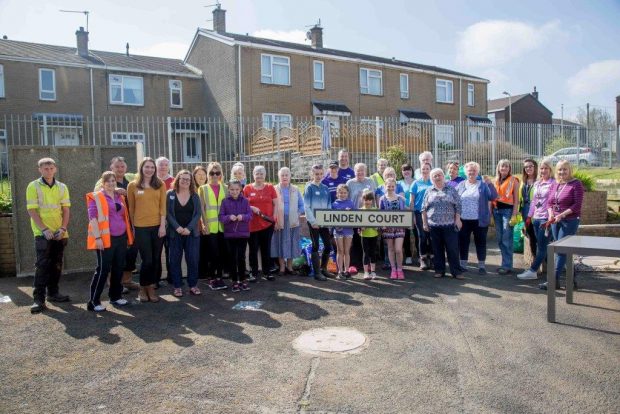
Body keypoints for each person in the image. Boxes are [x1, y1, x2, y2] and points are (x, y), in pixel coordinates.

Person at [26, 158, 71, 314]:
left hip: (59, 231)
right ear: (40, 169)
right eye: (45, 168)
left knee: (57, 264)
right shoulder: (33, 186)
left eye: (51, 168)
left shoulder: (62, 187)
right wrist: (44, 229)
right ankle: (38, 299)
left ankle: (53, 293)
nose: (49, 171)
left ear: (55, 169)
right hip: (42, 233)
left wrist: (63, 228)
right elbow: (32, 210)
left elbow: (66, 210)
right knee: (42, 266)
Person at [86, 171, 133, 312]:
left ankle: (115, 296)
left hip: (121, 237)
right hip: (105, 239)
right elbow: (92, 218)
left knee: (118, 268)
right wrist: (98, 238)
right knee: (103, 270)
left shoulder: (119, 196)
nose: (111, 183)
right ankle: (93, 302)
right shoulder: (96, 197)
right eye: (108, 181)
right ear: (102, 183)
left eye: (113, 181)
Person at [94, 156, 139, 291]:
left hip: (131, 222)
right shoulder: (104, 181)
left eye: (122, 166)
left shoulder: (130, 178)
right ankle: (114, 283)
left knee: (131, 253)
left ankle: (127, 281)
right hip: (112, 225)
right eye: (117, 167)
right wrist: (114, 190)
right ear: (111, 168)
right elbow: (96, 195)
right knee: (115, 255)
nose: (120, 169)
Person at [539, 160, 584, 290]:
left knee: (561, 251)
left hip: (569, 221)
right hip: (555, 221)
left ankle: (553, 281)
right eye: (559, 169)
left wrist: (562, 215)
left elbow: (577, 205)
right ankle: (572, 278)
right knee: (564, 251)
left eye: (565, 169)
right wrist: (551, 214)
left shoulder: (576, 184)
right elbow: (549, 203)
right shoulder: (556, 184)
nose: (562, 172)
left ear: (570, 170)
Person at [127, 157, 166, 303]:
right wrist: (132, 228)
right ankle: (143, 288)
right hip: (140, 228)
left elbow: (163, 207)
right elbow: (131, 209)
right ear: (141, 168)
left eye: (152, 167)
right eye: (146, 167)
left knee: (156, 259)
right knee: (147, 260)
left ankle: (151, 287)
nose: (149, 170)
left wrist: (162, 226)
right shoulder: (133, 186)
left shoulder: (160, 184)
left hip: (157, 227)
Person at [456, 162, 498, 274]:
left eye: (474, 170)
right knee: (463, 242)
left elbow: (493, 196)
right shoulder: (460, 185)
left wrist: (490, 184)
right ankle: (463, 265)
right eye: (469, 171)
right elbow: (455, 200)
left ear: (477, 172)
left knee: (481, 242)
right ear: (466, 172)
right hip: (463, 220)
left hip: (479, 220)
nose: (471, 172)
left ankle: (481, 266)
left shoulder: (483, 185)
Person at [517, 158, 555, 281]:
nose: (543, 171)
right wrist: (529, 216)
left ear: (550, 170)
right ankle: (553, 270)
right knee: (540, 245)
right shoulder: (538, 183)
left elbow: (552, 202)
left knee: (543, 246)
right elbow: (534, 202)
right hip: (536, 218)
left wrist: (550, 217)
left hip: (545, 219)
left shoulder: (553, 183)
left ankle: (533, 270)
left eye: (546, 168)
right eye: (542, 168)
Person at [422, 168, 463, 279]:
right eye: (434, 176)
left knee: (452, 249)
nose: (437, 177)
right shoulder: (428, 190)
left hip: (450, 225)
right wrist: (425, 223)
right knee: (437, 249)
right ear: (432, 178)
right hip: (434, 226)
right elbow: (423, 209)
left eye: (439, 175)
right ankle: (439, 270)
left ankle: (456, 272)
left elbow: (458, 205)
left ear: (443, 176)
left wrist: (458, 220)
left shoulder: (451, 189)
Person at [167, 170, 202, 298]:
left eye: (188, 179)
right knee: (175, 260)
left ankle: (193, 285)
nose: (185, 181)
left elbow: (198, 213)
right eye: (183, 179)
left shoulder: (195, 195)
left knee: (192, 259)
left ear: (191, 181)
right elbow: (168, 213)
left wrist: (189, 228)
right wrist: (177, 227)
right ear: (178, 179)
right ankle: (177, 286)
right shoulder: (170, 194)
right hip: (175, 233)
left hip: (191, 234)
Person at [244, 165, 278, 281]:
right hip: (252, 225)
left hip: (267, 224)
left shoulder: (270, 187)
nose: (259, 176)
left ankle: (267, 272)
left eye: (261, 173)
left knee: (266, 248)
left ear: (265, 175)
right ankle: (253, 273)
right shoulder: (247, 189)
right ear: (253, 175)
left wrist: (274, 219)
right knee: (253, 249)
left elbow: (276, 204)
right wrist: (251, 207)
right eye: (257, 173)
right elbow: (243, 205)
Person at [198, 162, 228, 290]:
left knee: (222, 253)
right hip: (210, 227)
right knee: (212, 253)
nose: (214, 175)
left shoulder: (226, 188)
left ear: (221, 174)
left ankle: (220, 277)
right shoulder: (203, 189)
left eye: (217, 173)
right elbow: (202, 208)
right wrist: (204, 224)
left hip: (223, 226)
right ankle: (212, 278)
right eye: (211, 173)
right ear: (208, 174)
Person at [219, 180, 253, 292]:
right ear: (228, 189)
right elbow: (221, 217)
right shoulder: (224, 201)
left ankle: (243, 280)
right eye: (232, 189)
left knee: (241, 257)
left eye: (237, 189)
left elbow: (250, 215)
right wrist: (229, 218)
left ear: (240, 189)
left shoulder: (245, 201)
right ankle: (234, 281)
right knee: (232, 258)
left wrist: (242, 217)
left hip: (243, 234)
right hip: (230, 235)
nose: (234, 192)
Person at [272, 167, 304, 276]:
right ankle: (282, 267)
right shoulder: (274, 189)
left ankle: (290, 267)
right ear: (279, 177)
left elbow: (302, 205)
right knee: (280, 243)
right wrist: (274, 220)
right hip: (279, 221)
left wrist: (298, 214)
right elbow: (271, 205)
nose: (285, 177)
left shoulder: (295, 189)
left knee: (291, 243)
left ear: (290, 176)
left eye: (287, 175)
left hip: (292, 222)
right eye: (282, 175)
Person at [303, 164, 332, 281]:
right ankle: (317, 273)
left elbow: (329, 206)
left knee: (328, 246)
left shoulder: (325, 188)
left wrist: (328, 220)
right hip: (313, 222)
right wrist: (313, 221)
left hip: (324, 222)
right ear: (312, 174)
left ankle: (324, 269)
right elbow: (306, 206)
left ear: (323, 174)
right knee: (315, 246)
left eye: (320, 174)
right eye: (316, 174)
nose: (319, 176)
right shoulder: (309, 188)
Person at [346, 163, 377, 270]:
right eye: (358, 171)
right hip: (355, 215)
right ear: (354, 172)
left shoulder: (370, 181)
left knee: (368, 241)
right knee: (355, 240)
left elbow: (375, 197)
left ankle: (367, 264)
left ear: (366, 171)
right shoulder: (349, 183)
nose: (360, 173)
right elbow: (347, 198)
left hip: (369, 215)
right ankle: (354, 264)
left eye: (362, 170)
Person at [492, 159, 520, 274]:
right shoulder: (496, 180)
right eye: (502, 166)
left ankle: (507, 265)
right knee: (499, 239)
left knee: (506, 238)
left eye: (506, 166)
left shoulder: (514, 180)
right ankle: (504, 263)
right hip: (496, 211)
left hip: (507, 212)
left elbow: (516, 199)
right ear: (498, 168)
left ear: (509, 168)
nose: (504, 168)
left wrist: (514, 214)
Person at [379, 178, 407, 279]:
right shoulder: (382, 199)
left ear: (395, 187)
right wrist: (382, 225)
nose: (390, 188)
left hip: (399, 228)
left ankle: (400, 269)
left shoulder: (400, 198)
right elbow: (380, 213)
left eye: (392, 186)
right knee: (390, 249)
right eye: (388, 186)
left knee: (398, 249)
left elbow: (404, 212)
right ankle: (393, 269)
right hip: (387, 229)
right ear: (385, 187)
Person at [410, 163, 433, 270]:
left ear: (430, 170)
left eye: (427, 169)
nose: (425, 170)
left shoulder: (433, 182)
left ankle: (432, 257)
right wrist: (413, 215)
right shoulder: (415, 183)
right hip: (419, 213)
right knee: (422, 236)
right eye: (423, 169)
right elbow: (412, 201)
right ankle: (422, 258)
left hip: (433, 213)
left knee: (432, 236)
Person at [332, 184, 355, 279]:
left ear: (348, 193)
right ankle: (340, 271)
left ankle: (346, 271)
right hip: (338, 231)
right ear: (337, 194)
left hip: (348, 230)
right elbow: (331, 218)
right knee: (340, 251)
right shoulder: (334, 204)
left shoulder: (351, 203)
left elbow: (355, 217)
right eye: (340, 192)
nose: (342, 194)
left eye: (344, 192)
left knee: (347, 251)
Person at [399, 163, 418, 266]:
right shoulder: (399, 183)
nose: (406, 172)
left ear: (412, 171)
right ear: (401, 172)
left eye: (408, 170)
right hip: (404, 213)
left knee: (418, 234)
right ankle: (409, 256)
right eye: (404, 170)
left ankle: (421, 256)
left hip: (416, 212)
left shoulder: (417, 182)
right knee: (405, 235)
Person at [519, 159, 538, 262]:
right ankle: (534, 258)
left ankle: (543, 259)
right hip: (525, 210)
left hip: (536, 210)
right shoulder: (523, 181)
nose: (528, 169)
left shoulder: (539, 180)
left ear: (535, 167)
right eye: (526, 167)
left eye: (530, 166)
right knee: (530, 235)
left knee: (538, 234)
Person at [193, 166, 209, 280]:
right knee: (196, 251)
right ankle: (199, 273)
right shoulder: (191, 190)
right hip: (195, 225)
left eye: (203, 174)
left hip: (208, 224)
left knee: (205, 250)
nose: (201, 176)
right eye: (198, 174)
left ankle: (206, 272)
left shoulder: (208, 189)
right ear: (194, 176)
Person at [359, 190, 378, 280]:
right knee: (365, 253)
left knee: (373, 253)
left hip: (374, 234)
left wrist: (377, 227)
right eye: (366, 200)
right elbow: (357, 223)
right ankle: (366, 272)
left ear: (372, 201)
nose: (368, 202)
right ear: (363, 200)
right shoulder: (360, 210)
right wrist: (360, 228)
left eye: (370, 200)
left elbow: (379, 222)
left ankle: (373, 271)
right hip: (364, 235)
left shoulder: (376, 210)